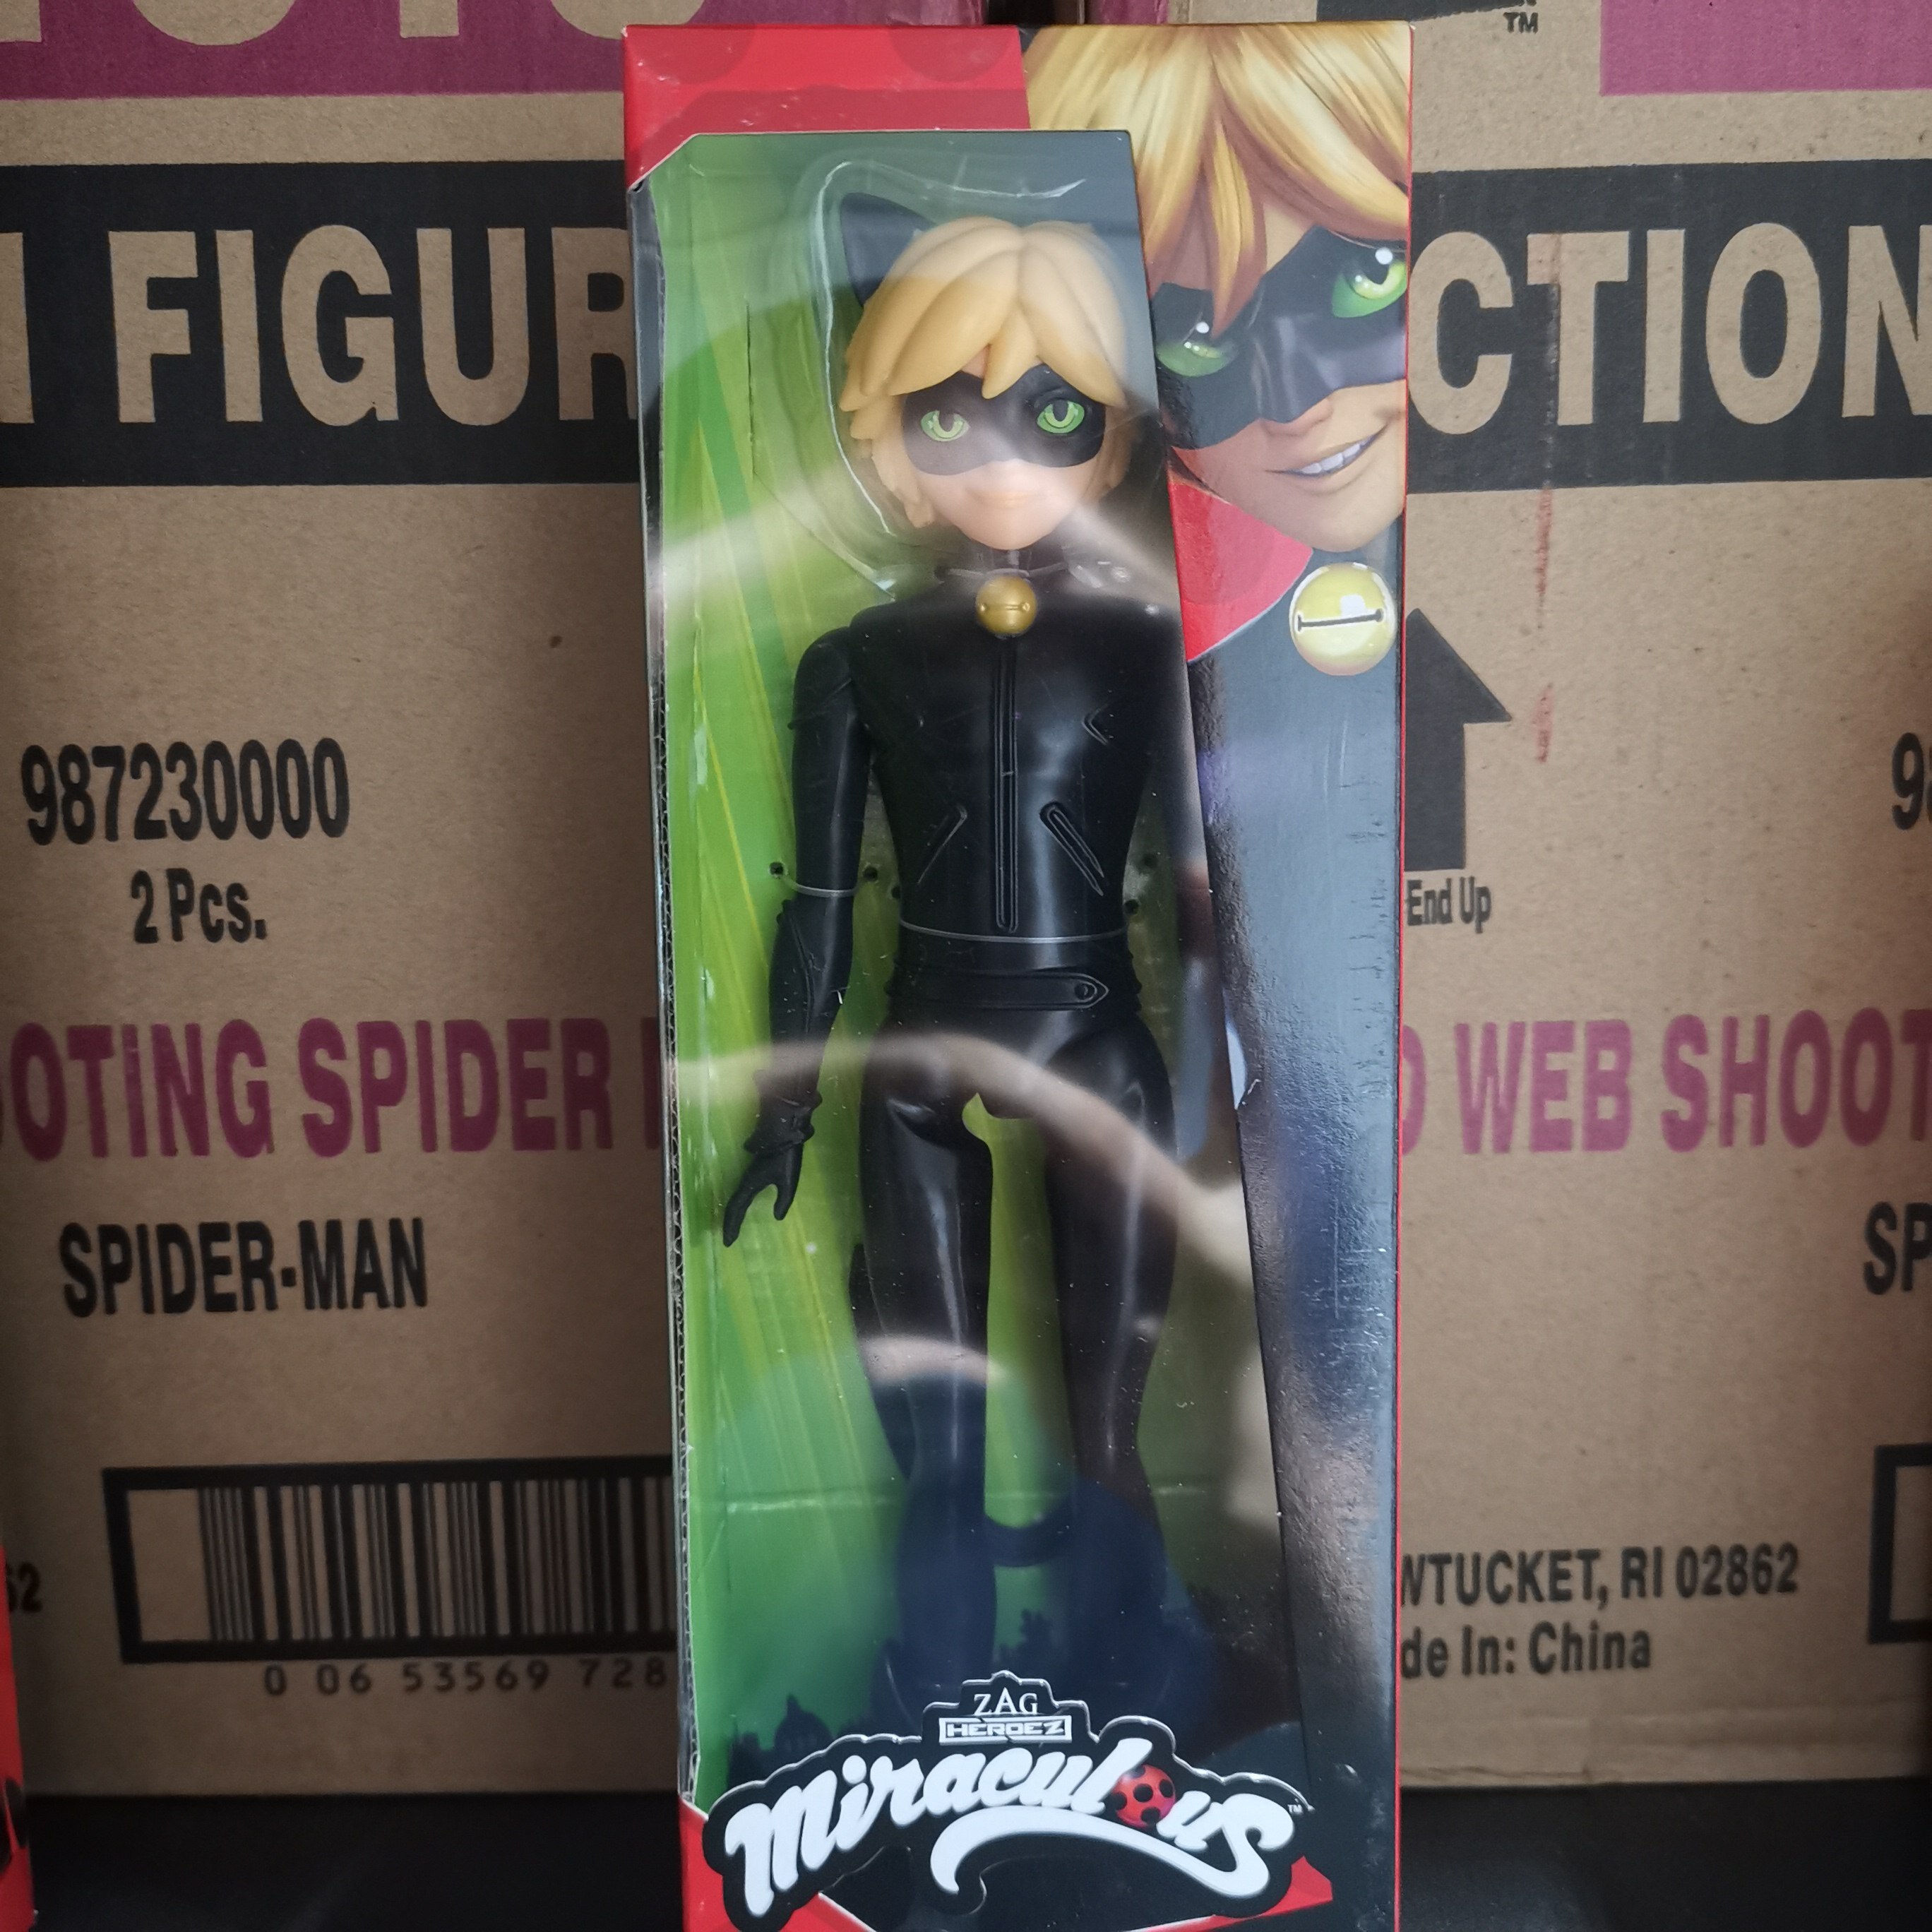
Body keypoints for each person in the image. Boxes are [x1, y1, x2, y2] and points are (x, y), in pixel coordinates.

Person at [723, 203, 1204, 1728]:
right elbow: (816, 900)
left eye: (1054, 413)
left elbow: (1210, 889)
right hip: (922, 1049)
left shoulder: (1148, 645)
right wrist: (784, 1110)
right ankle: (932, 1704)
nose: (998, 454)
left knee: (1106, 1424)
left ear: (1113, 439)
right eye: (947, 416)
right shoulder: (857, 658)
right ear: (886, 440)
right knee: (935, 1437)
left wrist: (1242, 1080)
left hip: (1096, 1037)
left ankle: (1135, 1695)